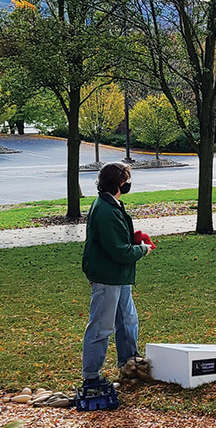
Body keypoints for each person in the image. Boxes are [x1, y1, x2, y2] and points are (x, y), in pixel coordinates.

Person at [81, 163, 153, 386]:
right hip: (107, 276)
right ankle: (91, 378)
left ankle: (129, 364)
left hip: (118, 276)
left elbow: (116, 238)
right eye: (127, 179)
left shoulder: (110, 204)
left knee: (128, 319)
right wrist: (143, 248)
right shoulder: (105, 210)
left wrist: (134, 236)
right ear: (120, 183)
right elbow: (119, 252)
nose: (129, 183)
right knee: (101, 327)